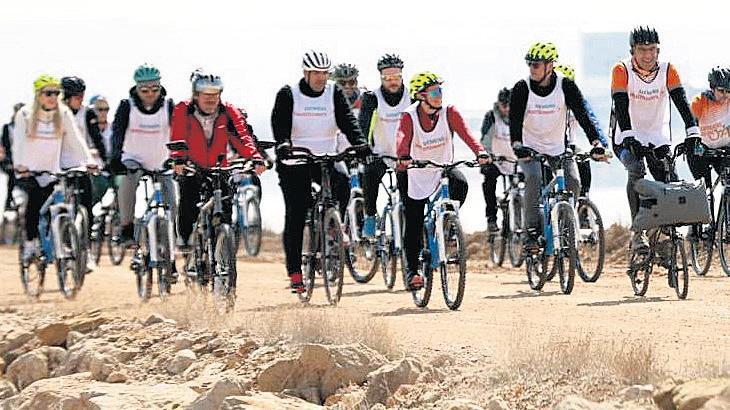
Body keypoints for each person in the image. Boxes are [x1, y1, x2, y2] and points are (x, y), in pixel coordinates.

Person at [271, 50, 367, 293]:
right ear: (306, 73)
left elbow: (347, 121)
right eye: (316, 73)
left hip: (325, 156)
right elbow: (280, 124)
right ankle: (295, 272)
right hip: (295, 160)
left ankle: (333, 227)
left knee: (343, 181)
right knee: (296, 211)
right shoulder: (289, 94)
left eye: (324, 73)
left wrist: (360, 143)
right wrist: (283, 144)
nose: (321, 78)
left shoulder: (333, 92)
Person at [396, 71, 489, 290]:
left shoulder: (449, 112)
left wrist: (480, 152)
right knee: (413, 220)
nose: (439, 96)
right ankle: (413, 271)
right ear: (421, 96)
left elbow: (467, 134)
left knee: (461, 184)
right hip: (414, 171)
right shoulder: (409, 116)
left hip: (442, 169)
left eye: (440, 91)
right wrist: (403, 156)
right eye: (434, 92)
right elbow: (402, 138)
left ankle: (446, 225)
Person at [610, 26, 700, 250]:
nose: (648, 55)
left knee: (669, 178)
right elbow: (620, 104)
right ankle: (637, 232)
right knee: (636, 169)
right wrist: (629, 135)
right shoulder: (621, 70)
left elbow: (681, 101)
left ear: (658, 50)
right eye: (642, 50)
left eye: (652, 49)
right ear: (632, 51)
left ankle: (666, 229)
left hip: (656, 136)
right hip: (625, 134)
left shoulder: (668, 70)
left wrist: (692, 130)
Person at [509, 42, 606, 250]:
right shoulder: (522, 88)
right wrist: (517, 144)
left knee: (574, 182)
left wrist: (596, 142)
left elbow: (583, 114)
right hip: (530, 149)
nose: (532, 69)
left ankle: (566, 227)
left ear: (550, 65)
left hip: (558, 148)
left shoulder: (566, 86)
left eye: (536, 65)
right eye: (530, 64)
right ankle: (531, 233)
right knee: (533, 178)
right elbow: (514, 121)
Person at [170, 69, 266, 256]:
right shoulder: (184, 109)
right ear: (196, 95)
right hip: (192, 165)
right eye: (206, 94)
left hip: (220, 166)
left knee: (225, 209)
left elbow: (243, 135)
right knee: (189, 200)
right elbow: (178, 135)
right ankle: (185, 238)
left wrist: (255, 157)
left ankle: (222, 256)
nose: (211, 99)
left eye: (215, 94)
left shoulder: (229, 111)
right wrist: (178, 158)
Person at [12, 75, 96, 259]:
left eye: (56, 93)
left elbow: (76, 140)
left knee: (61, 206)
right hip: (31, 171)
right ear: (38, 95)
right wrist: (20, 165)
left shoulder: (63, 113)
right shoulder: (25, 114)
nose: (53, 97)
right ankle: (30, 243)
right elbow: (18, 143)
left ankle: (65, 244)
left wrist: (88, 160)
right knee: (34, 205)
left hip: (53, 170)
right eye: (48, 93)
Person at [110, 64, 176, 244]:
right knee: (128, 182)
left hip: (161, 161)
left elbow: (179, 133)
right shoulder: (127, 106)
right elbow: (117, 134)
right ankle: (126, 227)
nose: (150, 94)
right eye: (144, 90)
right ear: (137, 89)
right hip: (134, 159)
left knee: (173, 199)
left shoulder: (168, 106)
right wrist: (115, 157)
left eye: (155, 89)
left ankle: (173, 235)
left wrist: (182, 156)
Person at [358, 53, 411, 238]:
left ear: (402, 75)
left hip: (406, 156)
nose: (392, 81)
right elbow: (363, 125)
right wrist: (363, 149)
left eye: (396, 77)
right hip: (382, 153)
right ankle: (370, 216)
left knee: (410, 197)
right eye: (387, 78)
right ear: (381, 77)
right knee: (369, 174)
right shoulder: (372, 97)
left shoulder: (411, 96)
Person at [553, 63, 609, 196]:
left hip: (570, 146)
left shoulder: (578, 101)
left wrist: (602, 146)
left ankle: (583, 200)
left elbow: (592, 121)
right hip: (548, 145)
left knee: (583, 160)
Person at [687, 67, 730, 185]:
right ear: (712, 87)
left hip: (725, 150)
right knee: (703, 189)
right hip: (702, 150)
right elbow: (692, 124)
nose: (725, 95)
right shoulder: (699, 101)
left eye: (728, 91)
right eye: (721, 91)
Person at [480, 87, 514, 232]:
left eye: (509, 105)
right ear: (498, 104)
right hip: (495, 159)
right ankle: (491, 218)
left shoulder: (521, 115)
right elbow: (485, 138)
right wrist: (487, 155)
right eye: (504, 105)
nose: (507, 109)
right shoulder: (492, 117)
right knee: (489, 181)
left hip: (514, 158)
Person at [1, 103, 25, 210]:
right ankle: (8, 204)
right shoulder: (7, 127)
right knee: (11, 181)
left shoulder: (28, 128)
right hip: (10, 161)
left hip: (24, 162)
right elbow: (3, 145)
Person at [89, 95, 113, 160]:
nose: (103, 112)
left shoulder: (114, 128)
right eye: (100, 109)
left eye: (106, 109)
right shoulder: (85, 129)